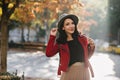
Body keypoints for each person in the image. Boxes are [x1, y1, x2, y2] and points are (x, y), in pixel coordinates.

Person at [46, 13, 95, 80]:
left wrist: (92, 47)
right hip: (69, 74)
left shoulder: (83, 38)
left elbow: (87, 57)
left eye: (72, 23)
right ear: (63, 28)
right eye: (67, 24)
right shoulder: (61, 43)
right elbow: (48, 53)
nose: (71, 26)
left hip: (84, 72)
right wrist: (52, 36)